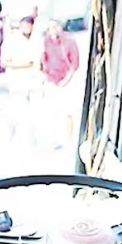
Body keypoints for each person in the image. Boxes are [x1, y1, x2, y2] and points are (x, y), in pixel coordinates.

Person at [39, 20, 80, 149]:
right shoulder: (46, 42)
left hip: (66, 80)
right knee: (53, 112)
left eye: (54, 27)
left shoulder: (69, 41)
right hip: (51, 81)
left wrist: (66, 80)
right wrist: (44, 76)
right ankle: (56, 140)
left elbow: (74, 64)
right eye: (49, 28)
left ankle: (69, 140)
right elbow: (42, 60)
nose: (52, 30)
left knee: (67, 112)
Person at [0, 16, 40, 146]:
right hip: (17, 82)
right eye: (25, 25)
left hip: (32, 81)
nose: (28, 28)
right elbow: (4, 62)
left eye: (30, 26)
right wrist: (24, 64)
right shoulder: (11, 41)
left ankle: (31, 141)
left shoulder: (33, 40)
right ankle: (9, 139)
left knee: (32, 113)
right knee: (17, 113)